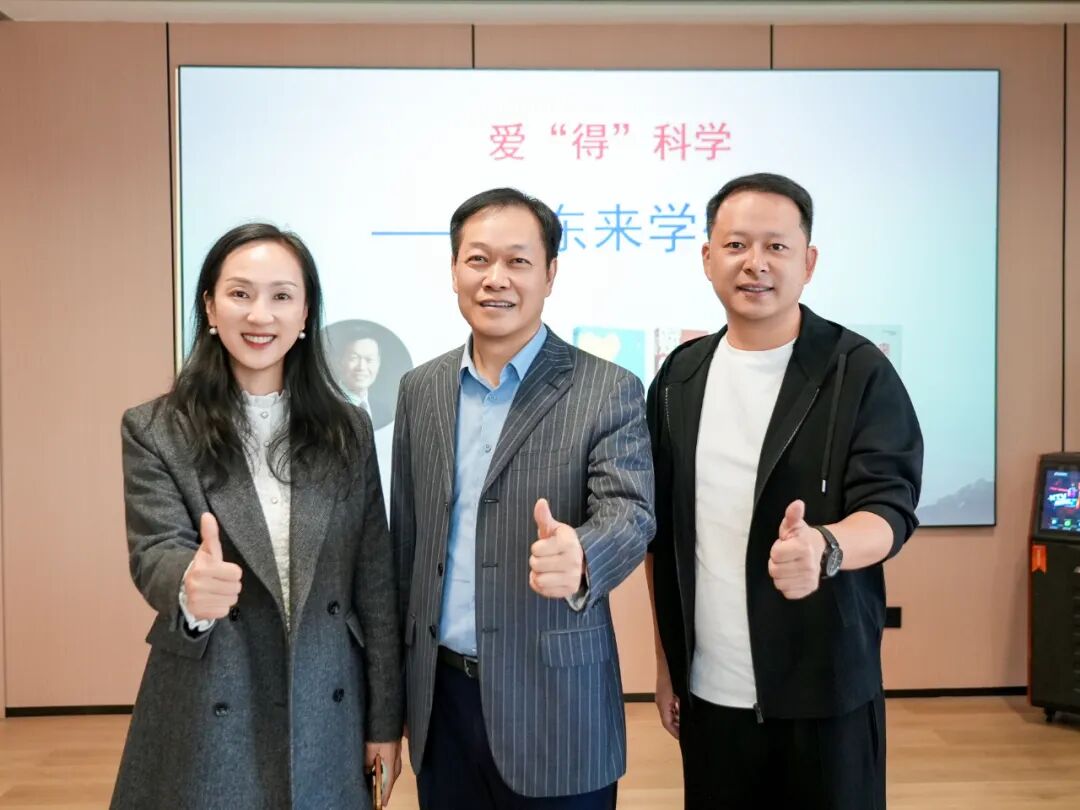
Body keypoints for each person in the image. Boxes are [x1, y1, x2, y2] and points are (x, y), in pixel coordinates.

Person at [646, 173, 923, 809]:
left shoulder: (857, 370)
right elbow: (662, 538)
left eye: (776, 246)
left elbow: (890, 508)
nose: (756, 263)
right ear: (707, 258)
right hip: (710, 693)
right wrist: (666, 666)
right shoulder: (680, 378)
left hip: (825, 690)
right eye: (736, 245)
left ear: (809, 261)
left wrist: (827, 547)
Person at [111, 223, 403, 809]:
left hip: (328, 699)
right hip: (212, 695)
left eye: (281, 296)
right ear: (210, 307)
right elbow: (155, 549)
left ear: (305, 314)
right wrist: (189, 586)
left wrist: (384, 723)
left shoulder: (346, 431)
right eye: (240, 293)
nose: (260, 315)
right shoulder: (155, 428)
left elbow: (374, 584)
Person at [391, 188, 655, 809]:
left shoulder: (606, 388)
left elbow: (631, 512)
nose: (496, 279)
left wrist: (582, 554)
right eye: (478, 259)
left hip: (556, 705)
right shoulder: (419, 389)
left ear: (550, 274)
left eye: (518, 261)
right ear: (454, 269)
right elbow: (406, 544)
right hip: (441, 701)